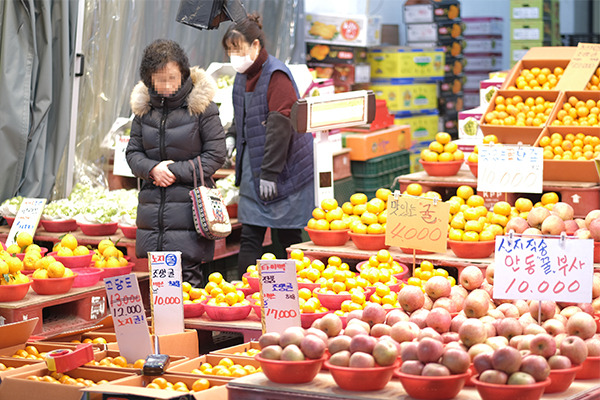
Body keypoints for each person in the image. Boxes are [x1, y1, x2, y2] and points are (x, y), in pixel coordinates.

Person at [126, 39, 226, 287]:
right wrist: (152, 170)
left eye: (173, 77)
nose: (168, 85)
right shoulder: (144, 110)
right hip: (152, 217)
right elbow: (133, 153)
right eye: (160, 79)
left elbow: (215, 155)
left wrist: (172, 171)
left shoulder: (202, 108)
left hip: (190, 214)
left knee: (189, 287)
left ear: (183, 73)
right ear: (149, 79)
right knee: (159, 290)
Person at [222, 14, 314, 278]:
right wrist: (231, 136)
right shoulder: (243, 76)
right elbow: (242, 114)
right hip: (255, 163)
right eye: (230, 51)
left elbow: (281, 127)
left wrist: (270, 173)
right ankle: (245, 295)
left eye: (238, 50)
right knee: (251, 234)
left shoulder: (277, 76)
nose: (234, 56)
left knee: (286, 237)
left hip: (286, 166)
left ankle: (292, 295)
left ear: (255, 46)